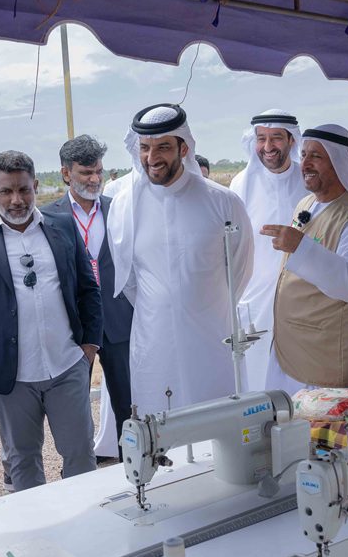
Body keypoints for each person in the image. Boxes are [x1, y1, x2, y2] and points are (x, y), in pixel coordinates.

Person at [0, 150, 102, 491]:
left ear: (35, 186)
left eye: (23, 190)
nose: (16, 200)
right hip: (12, 374)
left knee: (80, 454)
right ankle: (36, 537)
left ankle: (89, 527)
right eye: (6, 192)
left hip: (67, 366)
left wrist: (89, 348)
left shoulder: (62, 227)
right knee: (22, 458)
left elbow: (88, 289)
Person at [107, 104, 253, 412]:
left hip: (212, 338)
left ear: (183, 147)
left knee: (217, 426)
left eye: (163, 147)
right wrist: (164, 306)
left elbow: (240, 270)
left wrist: (199, 305)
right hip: (154, 340)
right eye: (145, 148)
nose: (152, 157)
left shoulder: (222, 201)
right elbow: (131, 281)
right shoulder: (124, 207)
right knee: (161, 434)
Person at [263, 125, 348, 396]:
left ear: (340, 163)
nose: (305, 163)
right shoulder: (306, 204)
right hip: (292, 350)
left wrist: (302, 247)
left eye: (316, 157)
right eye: (304, 154)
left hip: (327, 359)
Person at [42, 135, 133, 460]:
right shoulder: (48, 218)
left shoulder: (119, 209)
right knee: (74, 407)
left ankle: (133, 470)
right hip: (73, 326)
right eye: (85, 173)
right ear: (66, 173)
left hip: (120, 320)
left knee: (129, 403)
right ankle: (78, 473)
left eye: (98, 171)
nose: (94, 179)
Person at [229, 109, 309, 391]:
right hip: (255, 300)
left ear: (291, 140)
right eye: (261, 138)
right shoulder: (241, 184)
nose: (267, 147)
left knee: (300, 379)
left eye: (276, 138)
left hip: (303, 298)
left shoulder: (308, 181)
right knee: (255, 376)